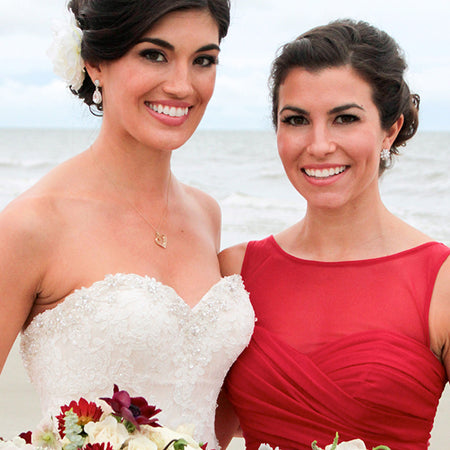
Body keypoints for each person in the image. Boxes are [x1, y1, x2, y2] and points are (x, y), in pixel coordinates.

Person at [0, 1, 254, 447]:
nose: (182, 85)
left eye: (203, 60)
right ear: (95, 62)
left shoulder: (205, 214)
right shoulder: (32, 224)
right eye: (154, 54)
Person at [218, 19, 450, 450]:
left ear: (390, 129)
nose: (319, 144)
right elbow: (202, 429)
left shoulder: (441, 284)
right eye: (296, 120)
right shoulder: (233, 273)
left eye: (345, 118)